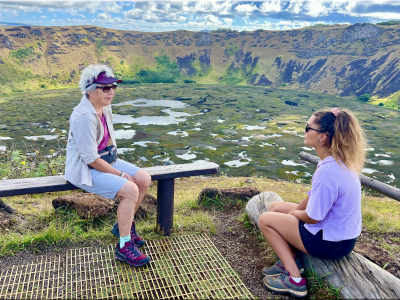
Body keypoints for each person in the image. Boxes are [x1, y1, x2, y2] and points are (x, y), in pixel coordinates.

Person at [259, 108, 366, 297]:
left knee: (266, 219)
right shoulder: (339, 161)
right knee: (276, 207)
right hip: (342, 236)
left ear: (322, 137)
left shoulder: (327, 172)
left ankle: (295, 280)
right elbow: (313, 198)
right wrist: (291, 213)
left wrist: (294, 215)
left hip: (330, 243)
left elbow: (312, 217)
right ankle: (290, 260)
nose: (304, 131)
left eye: (308, 127)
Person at [65, 64, 152, 267]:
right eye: (104, 87)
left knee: (143, 179)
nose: (111, 91)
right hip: (86, 169)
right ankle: (124, 246)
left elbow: (107, 141)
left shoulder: (104, 107)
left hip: (105, 159)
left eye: (113, 87)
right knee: (130, 188)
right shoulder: (84, 116)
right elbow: (89, 159)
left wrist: (116, 163)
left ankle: (124, 226)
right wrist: (120, 174)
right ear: (89, 89)